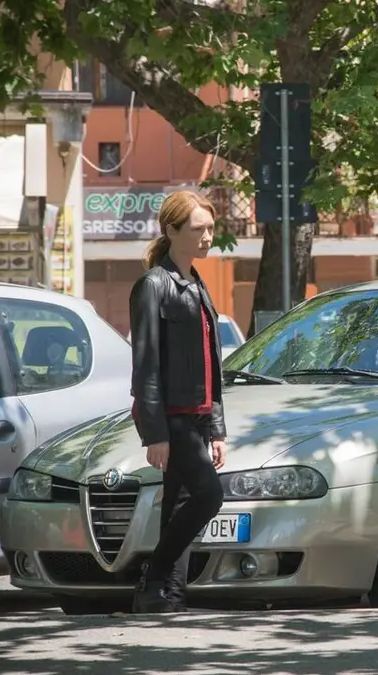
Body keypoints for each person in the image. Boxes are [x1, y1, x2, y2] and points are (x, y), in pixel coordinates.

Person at [129, 190, 227, 614]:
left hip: (199, 417)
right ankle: (153, 576)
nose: (207, 237)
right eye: (198, 229)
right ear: (171, 230)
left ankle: (166, 596)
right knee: (209, 496)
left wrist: (217, 428)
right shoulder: (154, 285)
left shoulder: (198, 284)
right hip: (173, 417)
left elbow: (212, 365)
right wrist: (155, 433)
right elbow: (146, 365)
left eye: (211, 228)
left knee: (180, 505)